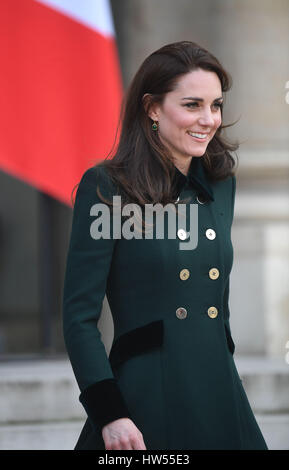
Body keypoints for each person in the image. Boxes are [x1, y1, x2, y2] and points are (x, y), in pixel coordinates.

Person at [62, 41, 268, 450]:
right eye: (192, 105)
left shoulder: (220, 184)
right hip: (145, 399)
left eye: (215, 105)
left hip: (218, 391)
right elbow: (78, 317)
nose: (208, 119)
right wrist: (110, 413)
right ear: (152, 108)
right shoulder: (108, 189)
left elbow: (216, 307)